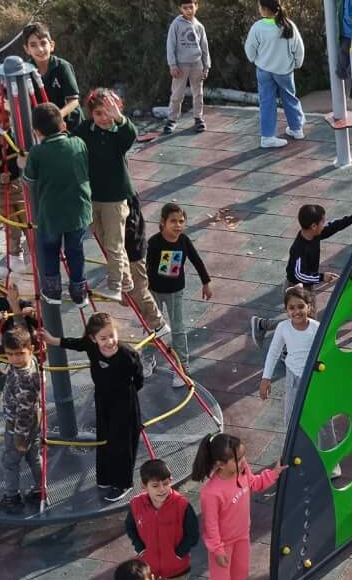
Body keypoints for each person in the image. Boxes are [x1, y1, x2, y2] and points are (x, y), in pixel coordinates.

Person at [195, 431, 278, 580]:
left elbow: (255, 483)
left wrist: (274, 473)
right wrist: (217, 550)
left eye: (243, 457)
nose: (243, 462)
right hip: (223, 543)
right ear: (220, 464)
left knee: (240, 572)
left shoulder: (242, 472)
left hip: (242, 535)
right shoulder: (211, 492)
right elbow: (210, 525)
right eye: (238, 459)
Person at [58, 308, 144, 502]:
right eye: (103, 338)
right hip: (103, 400)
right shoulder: (92, 347)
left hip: (124, 401)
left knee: (122, 442)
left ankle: (123, 483)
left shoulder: (126, 354)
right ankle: (105, 476)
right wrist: (53, 340)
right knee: (104, 438)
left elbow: (138, 377)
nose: (109, 341)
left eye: (112, 336)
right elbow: (76, 343)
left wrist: (129, 393)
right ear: (93, 339)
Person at [77, 89, 148, 318]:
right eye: (99, 113)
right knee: (102, 237)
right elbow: (70, 140)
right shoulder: (86, 130)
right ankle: (126, 281)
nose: (104, 118)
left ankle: (115, 285)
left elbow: (131, 135)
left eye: (109, 112)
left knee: (114, 243)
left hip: (115, 197)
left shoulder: (118, 133)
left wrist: (119, 118)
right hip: (93, 196)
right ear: (91, 114)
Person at [23, 101, 91, 307]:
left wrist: (23, 163)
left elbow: (29, 180)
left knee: (50, 250)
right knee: (75, 251)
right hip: (79, 211)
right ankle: (79, 291)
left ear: (36, 132)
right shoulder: (78, 143)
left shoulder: (37, 152)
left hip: (51, 215)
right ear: (63, 125)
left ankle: (53, 291)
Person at [125, 456, 202, 580]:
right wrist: (140, 548)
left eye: (166, 483)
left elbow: (193, 534)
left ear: (170, 481)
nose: (162, 489)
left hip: (176, 565)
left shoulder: (182, 505)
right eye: (155, 486)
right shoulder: (136, 505)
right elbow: (130, 527)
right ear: (144, 486)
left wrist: (179, 553)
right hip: (149, 565)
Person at [142, 202, 212, 384]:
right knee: (151, 327)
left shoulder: (184, 241)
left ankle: (182, 366)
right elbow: (145, 265)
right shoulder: (155, 242)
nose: (178, 225)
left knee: (178, 329)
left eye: (181, 221)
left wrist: (206, 282)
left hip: (175, 292)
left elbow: (197, 260)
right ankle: (147, 358)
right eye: (173, 221)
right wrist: (141, 287)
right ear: (162, 222)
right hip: (154, 291)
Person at [0, 312, 47, 517]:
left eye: (19, 354)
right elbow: (22, 332)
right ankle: (40, 489)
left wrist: (19, 438)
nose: (14, 359)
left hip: (19, 427)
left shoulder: (24, 379)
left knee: (11, 461)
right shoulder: (32, 360)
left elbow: (24, 413)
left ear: (30, 349)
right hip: (35, 421)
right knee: (34, 458)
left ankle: (12, 498)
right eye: (10, 354)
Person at [257, 285, 319, 453]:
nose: (296, 311)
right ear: (286, 310)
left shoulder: (316, 328)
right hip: (293, 376)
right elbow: (273, 352)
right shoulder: (283, 327)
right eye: (291, 308)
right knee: (292, 415)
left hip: (313, 377)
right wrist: (266, 378)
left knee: (320, 415)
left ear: (309, 307)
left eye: (300, 306)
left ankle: (329, 457)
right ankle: (293, 450)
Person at [245, 0, 308, 149]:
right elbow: (299, 48)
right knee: (290, 98)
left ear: (265, 9)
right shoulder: (288, 25)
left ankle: (267, 137)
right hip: (285, 71)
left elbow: (250, 49)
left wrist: (254, 59)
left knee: (267, 102)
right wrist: (297, 63)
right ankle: (296, 129)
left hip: (264, 70)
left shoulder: (258, 27)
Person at [278, 201, 352, 302]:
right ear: (314, 226)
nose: (324, 225)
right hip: (296, 288)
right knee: (302, 310)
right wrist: (322, 277)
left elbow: (332, 227)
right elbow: (300, 274)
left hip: (308, 282)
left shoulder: (313, 234)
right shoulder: (299, 248)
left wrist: (351, 218)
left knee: (309, 309)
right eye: (322, 222)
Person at [162, 0, 209, 133]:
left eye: (191, 7)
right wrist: (172, 65)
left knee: (198, 93)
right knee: (177, 94)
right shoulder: (176, 24)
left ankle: (198, 118)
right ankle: (172, 120)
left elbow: (204, 47)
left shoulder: (199, 26)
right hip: (181, 65)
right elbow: (170, 45)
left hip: (197, 64)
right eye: (185, 8)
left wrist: (206, 66)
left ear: (196, 6)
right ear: (180, 9)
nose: (189, 10)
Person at [15, 20, 82, 118]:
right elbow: (26, 103)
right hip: (43, 124)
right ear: (27, 49)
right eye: (33, 45)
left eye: (43, 43)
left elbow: (74, 101)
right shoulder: (25, 71)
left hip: (69, 122)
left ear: (51, 45)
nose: (40, 49)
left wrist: (57, 117)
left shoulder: (62, 66)